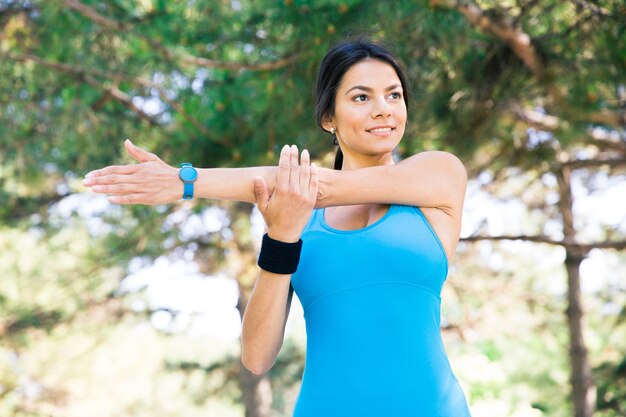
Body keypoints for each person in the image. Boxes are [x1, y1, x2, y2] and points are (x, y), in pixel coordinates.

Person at [83, 39, 470, 416]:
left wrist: (186, 182)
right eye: (361, 97)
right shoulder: (297, 220)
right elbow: (256, 357)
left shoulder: (438, 175)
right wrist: (281, 238)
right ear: (328, 118)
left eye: (394, 95)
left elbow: (312, 185)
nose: (384, 109)